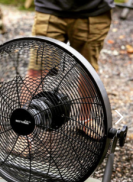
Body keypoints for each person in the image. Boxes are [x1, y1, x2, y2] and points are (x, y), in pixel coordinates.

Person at [11, 1, 113, 157]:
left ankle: (84, 120)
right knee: (36, 70)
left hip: (94, 11)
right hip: (50, 8)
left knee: (89, 71)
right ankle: (25, 131)